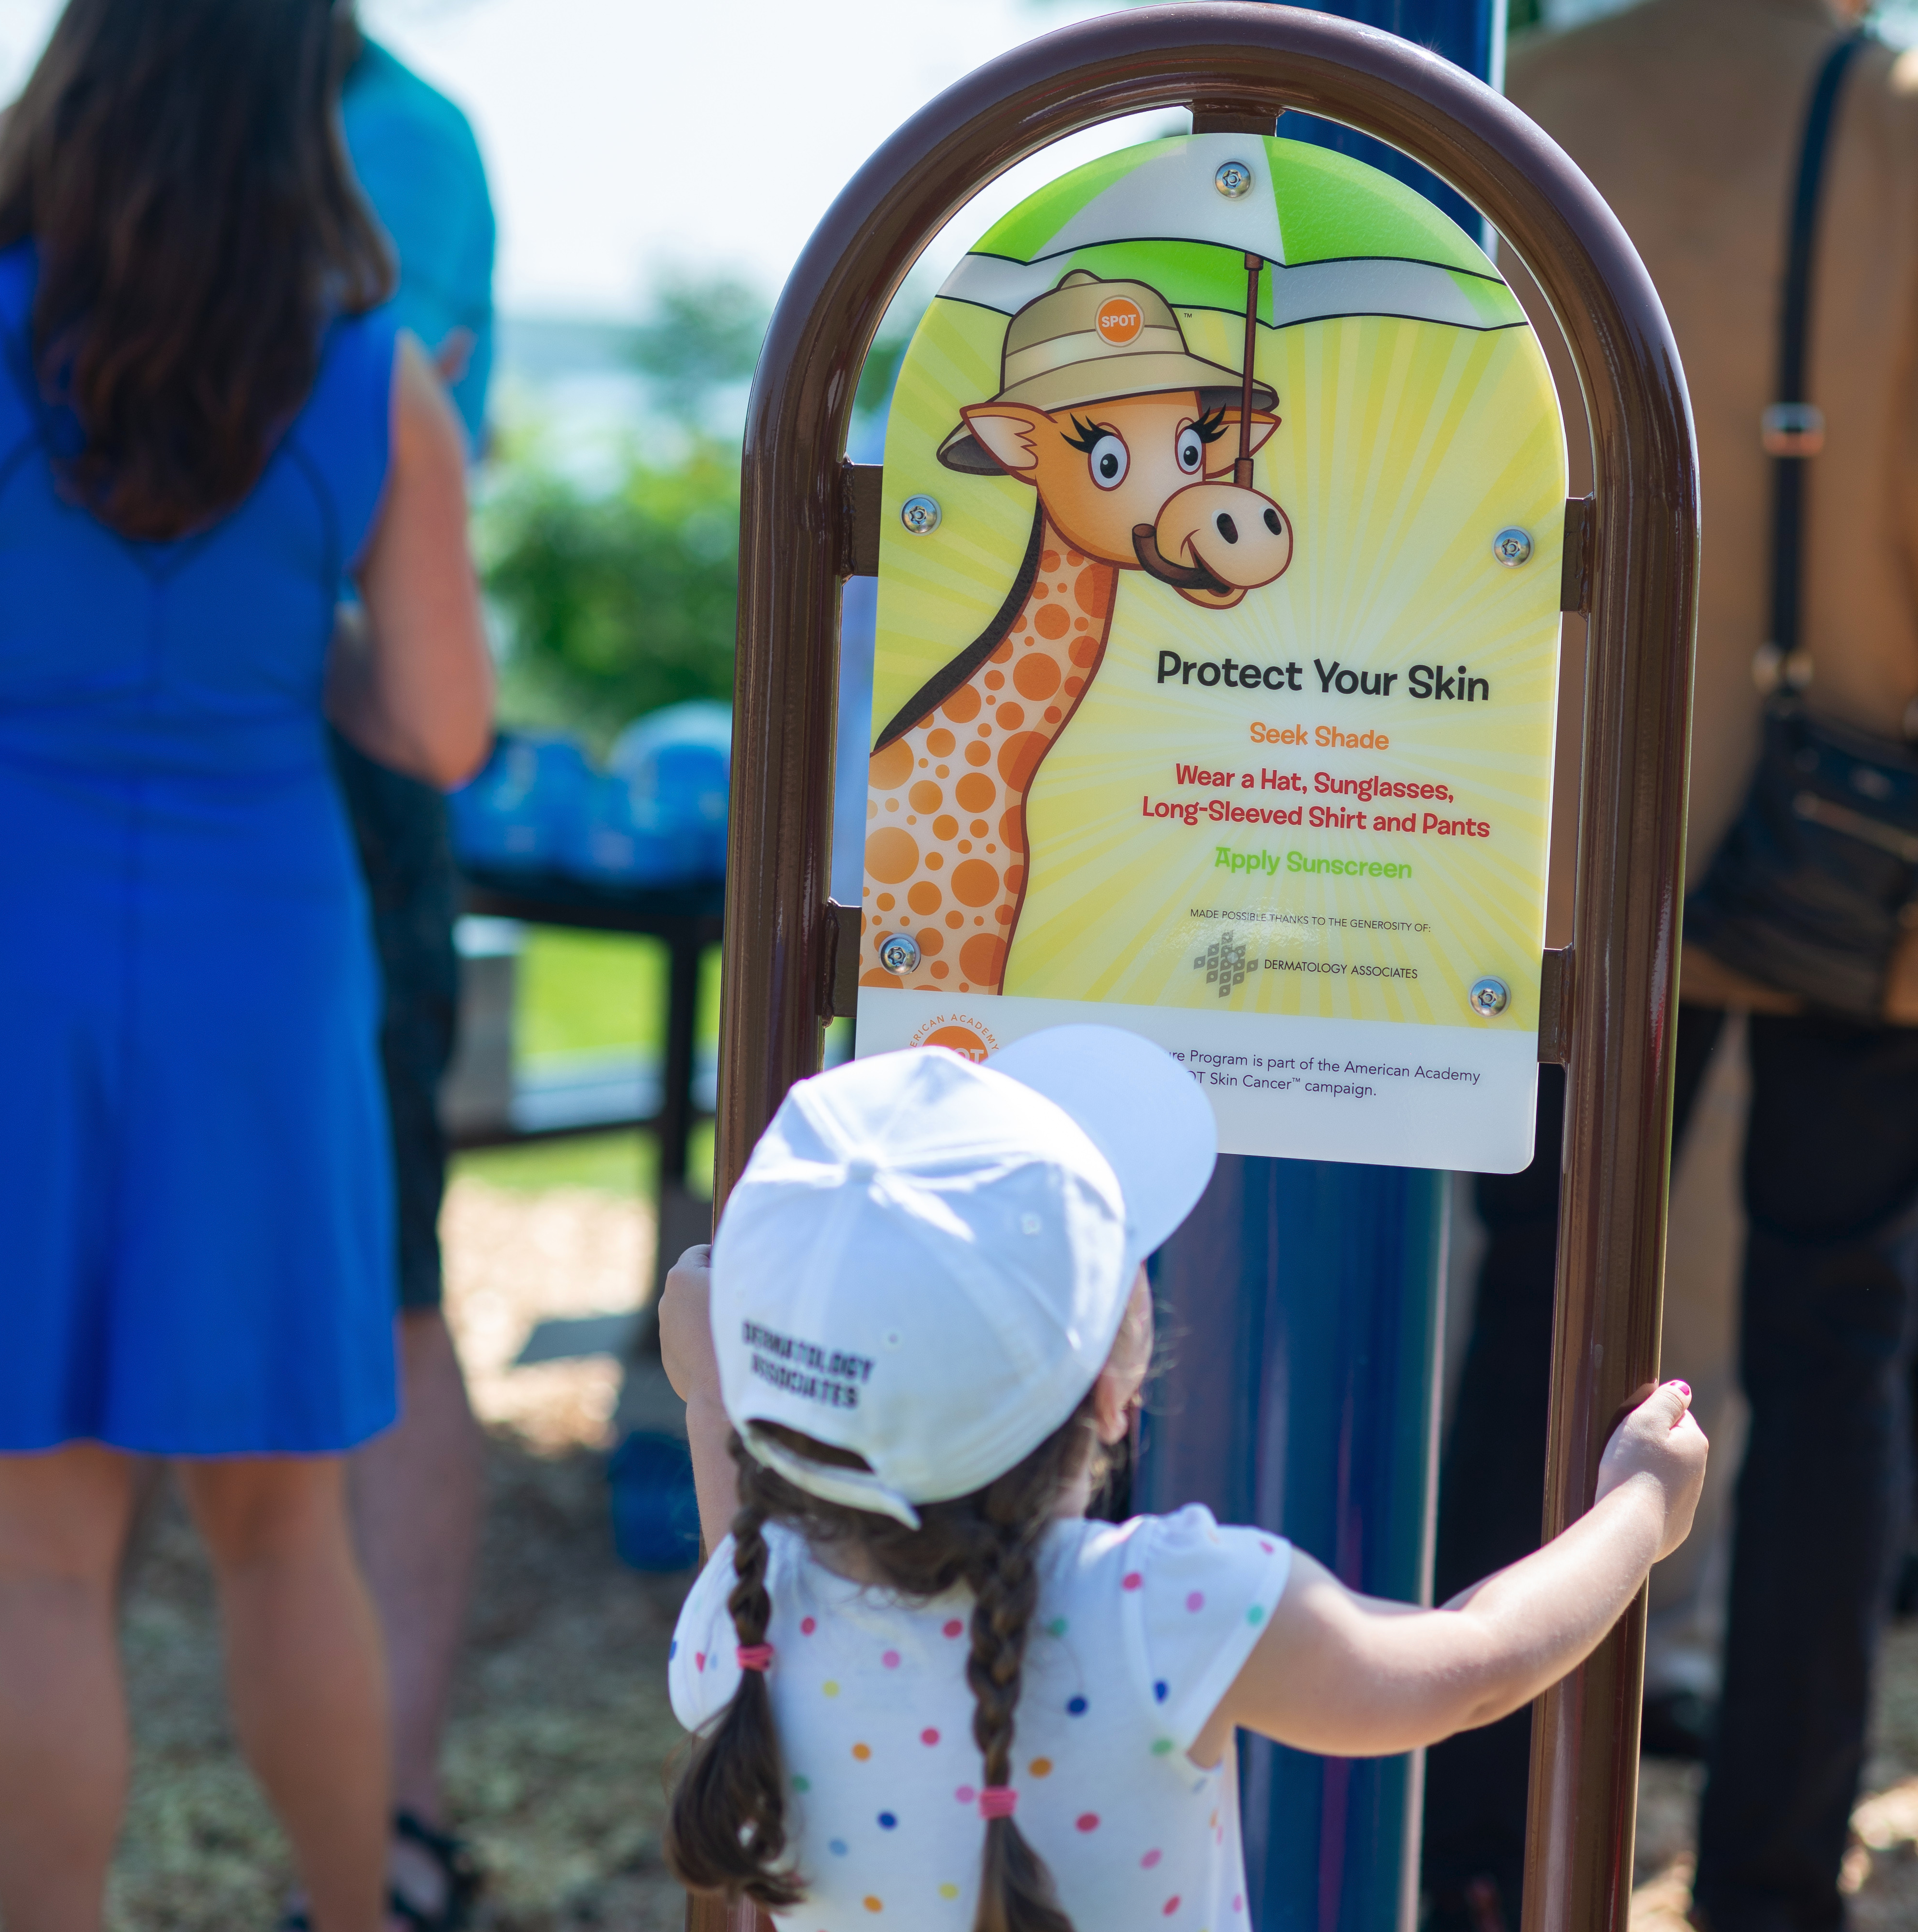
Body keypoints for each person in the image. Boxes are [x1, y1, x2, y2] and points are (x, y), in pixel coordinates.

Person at [0, 0, 491, 1928]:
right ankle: (354, 1914)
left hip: (9, 958)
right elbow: (438, 730)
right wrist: (305, 650)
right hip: (262, 976)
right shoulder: (375, 379)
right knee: (284, 1534)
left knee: (31, 1548)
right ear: (304, 116)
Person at [1422, 3, 1918, 1928]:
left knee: (1535, 1345)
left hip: (1563, 829)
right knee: (1829, 1355)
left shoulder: (1534, 96)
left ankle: (1477, 1852)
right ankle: (1771, 1874)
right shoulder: (1881, 113)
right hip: (1848, 836)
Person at [654, 1029, 1707, 1930]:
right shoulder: (1163, 1611)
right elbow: (1472, 1666)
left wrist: (711, 1395)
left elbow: (737, 1508)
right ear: (1118, 1387)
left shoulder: (743, 1625)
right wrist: (1638, 1508)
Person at [333, 25, 497, 1927]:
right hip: (302, 753)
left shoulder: (412, 138)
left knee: (386, 1292)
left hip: (328, 776)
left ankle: (392, 1810)